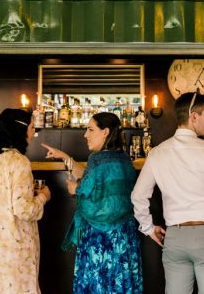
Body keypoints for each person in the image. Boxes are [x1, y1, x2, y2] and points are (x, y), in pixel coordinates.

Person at [131, 92, 204, 294]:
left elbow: (138, 196)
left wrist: (148, 227)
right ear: (193, 116)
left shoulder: (157, 152)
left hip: (176, 238)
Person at [41, 112, 142, 294]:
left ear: (105, 132)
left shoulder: (96, 160)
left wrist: (75, 188)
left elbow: (84, 188)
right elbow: (91, 177)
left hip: (99, 238)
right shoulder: (125, 159)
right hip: (123, 237)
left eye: (90, 129)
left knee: (97, 282)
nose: (85, 135)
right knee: (120, 281)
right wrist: (64, 156)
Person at [0, 108, 51, 294]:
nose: (33, 133)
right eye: (31, 127)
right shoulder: (19, 162)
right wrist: (43, 196)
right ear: (19, 129)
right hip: (11, 247)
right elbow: (25, 210)